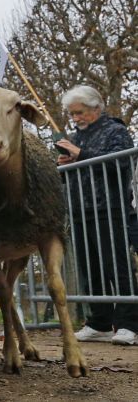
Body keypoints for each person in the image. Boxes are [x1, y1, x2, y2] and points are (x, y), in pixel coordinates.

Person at [56, 85, 138, 345]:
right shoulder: (75, 137)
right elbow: (76, 168)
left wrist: (82, 155)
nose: (76, 118)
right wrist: (65, 165)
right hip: (81, 209)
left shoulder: (116, 130)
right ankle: (99, 322)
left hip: (110, 209)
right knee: (89, 268)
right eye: (72, 114)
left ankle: (129, 324)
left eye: (79, 113)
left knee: (116, 266)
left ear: (96, 108)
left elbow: (122, 162)